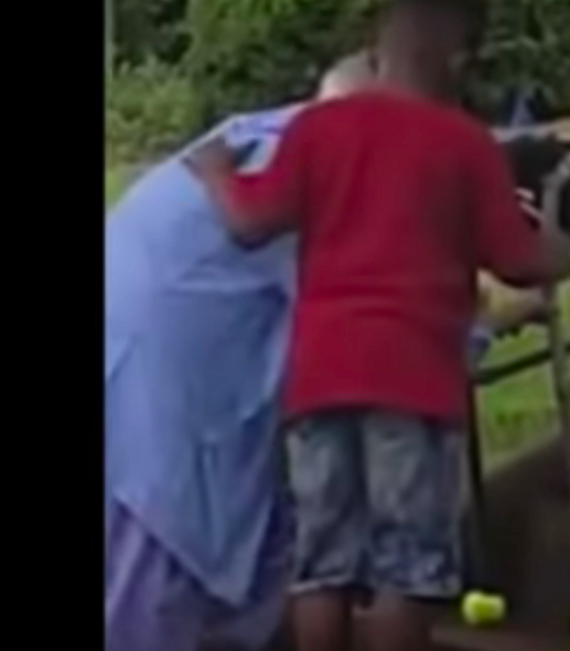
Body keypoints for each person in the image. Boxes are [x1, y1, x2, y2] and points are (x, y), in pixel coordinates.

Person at [186, 0, 570, 651]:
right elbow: (516, 260)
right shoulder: (464, 144)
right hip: (413, 382)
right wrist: (557, 249)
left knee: (322, 567)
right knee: (405, 569)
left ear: (376, 50)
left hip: (320, 379)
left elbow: (250, 222)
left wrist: (217, 171)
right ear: (459, 58)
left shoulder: (317, 129)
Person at [104, 53, 374, 651]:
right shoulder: (332, 170)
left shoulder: (269, 133)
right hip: (161, 412)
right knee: (160, 593)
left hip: (145, 368)